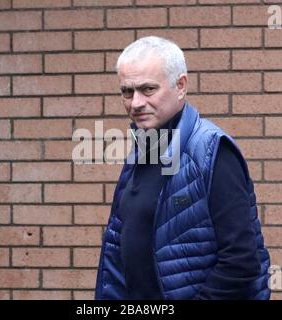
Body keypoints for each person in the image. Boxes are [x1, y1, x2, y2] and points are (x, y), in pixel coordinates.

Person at [95, 36, 271, 300]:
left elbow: (241, 262)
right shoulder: (144, 151)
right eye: (127, 91)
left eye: (148, 89)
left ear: (180, 86)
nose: (135, 103)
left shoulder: (212, 150)